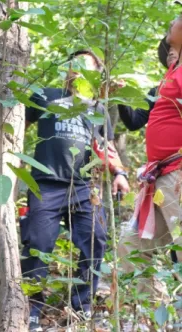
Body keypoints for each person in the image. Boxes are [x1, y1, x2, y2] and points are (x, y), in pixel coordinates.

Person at [22, 51, 130, 331]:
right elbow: (17, 125)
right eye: (75, 63)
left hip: (83, 188)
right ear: (67, 69)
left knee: (96, 238)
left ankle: (81, 309)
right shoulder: (45, 95)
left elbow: (106, 146)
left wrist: (119, 173)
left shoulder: (97, 109)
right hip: (45, 183)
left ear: (96, 73)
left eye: (87, 65)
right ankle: (32, 311)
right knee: (37, 244)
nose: (79, 69)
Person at [118, 17, 182, 304]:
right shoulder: (170, 74)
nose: (172, 21)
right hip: (159, 178)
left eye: (178, 19)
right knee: (131, 245)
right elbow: (134, 120)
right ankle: (156, 315)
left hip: (178, 174)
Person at [117, 36, 179, 130]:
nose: (170, 52)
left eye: (175, 48)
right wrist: (121, 95)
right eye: (169, 49)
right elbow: (134, 122)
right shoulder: (157, 92)